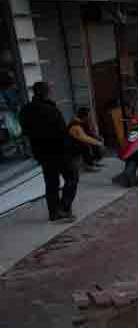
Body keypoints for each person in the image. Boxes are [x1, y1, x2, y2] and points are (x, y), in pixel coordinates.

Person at [19, 82, 79, 223]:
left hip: (42, 153)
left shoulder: (25, 110)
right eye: (50, 90)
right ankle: (64, 209)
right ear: (46, 93)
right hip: (58, 151)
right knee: (72, 177)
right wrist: (70, 150)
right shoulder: (51, 109)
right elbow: (61, 133)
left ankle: (54, 212)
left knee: (51, 182)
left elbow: (25, 131)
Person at [68, 107, 105, 172]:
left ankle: (93, 161)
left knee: (95, 140)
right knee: (85, 144)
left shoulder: (82, 122)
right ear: (84, 116)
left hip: (77, 141)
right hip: (71, 145)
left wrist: (97, 138)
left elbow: (89, 133)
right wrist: (98, 143)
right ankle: (88, 165)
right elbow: (83, 138)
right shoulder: (75, 124)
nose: (90, 117)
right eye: (89, 115)